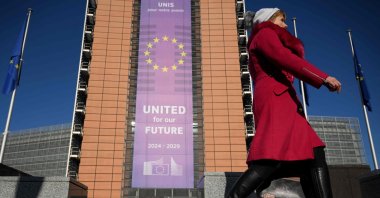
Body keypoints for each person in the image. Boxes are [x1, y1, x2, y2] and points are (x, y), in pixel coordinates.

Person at [226, 8, 341, 198]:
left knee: (314, 152)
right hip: (276, 100)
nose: (285, 25)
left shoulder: (267, 35)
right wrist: (323, 77)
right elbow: (285, 58)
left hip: (285, 102)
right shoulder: (265, 34)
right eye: (281, 20)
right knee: (270, 156)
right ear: (269, 20)